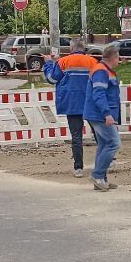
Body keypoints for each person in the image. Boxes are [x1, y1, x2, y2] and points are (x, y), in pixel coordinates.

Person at [43, 39, 98, 177]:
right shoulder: (92, 62)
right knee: (99, 133)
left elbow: (52, 79)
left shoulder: (64, 62)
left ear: (71, 48)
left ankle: (78, 168)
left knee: (76, 136)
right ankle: (106, 161)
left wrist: (49, 63)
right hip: (91, 103)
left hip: (72, 104)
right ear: (84, 48)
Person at [84, 43, 122, 191]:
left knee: (104, 144)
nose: (119, 61)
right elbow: (98, 94)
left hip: (97, 114)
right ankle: (98, 175)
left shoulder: (104, 70)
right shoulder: (101, 71)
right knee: (113, 143)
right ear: (114, 57)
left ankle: (102, 179)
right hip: (100, 115)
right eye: (118, 58)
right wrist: (107, 114)